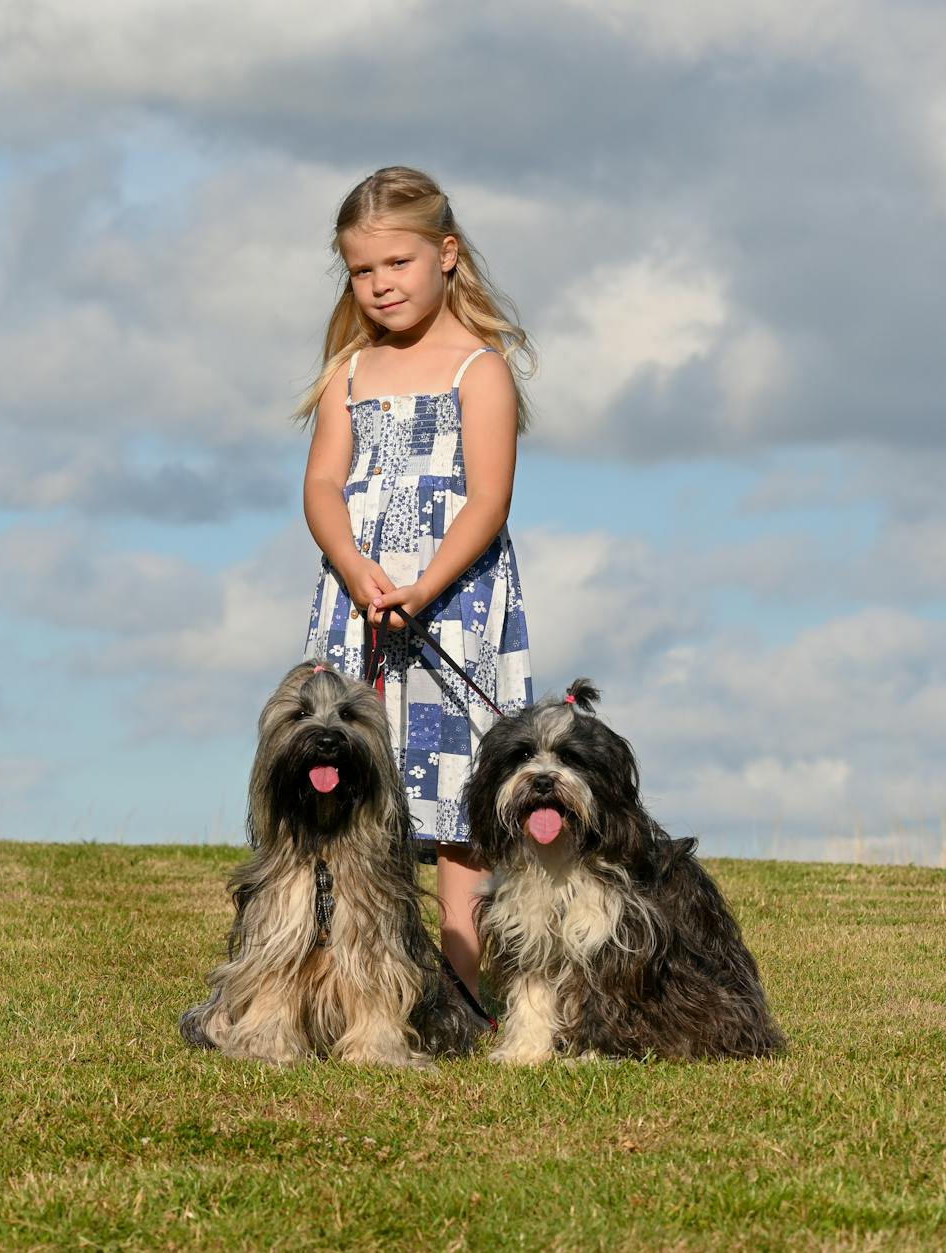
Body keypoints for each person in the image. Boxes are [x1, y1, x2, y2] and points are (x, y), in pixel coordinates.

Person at [298, 166, 535, 1009]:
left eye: (397, 262)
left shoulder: (479, 368)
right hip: (359, 605)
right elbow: (322, 486)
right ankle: (356, 982)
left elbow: (489, 498)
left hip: (455, 606)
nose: (380, 284)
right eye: (362, 270)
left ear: (446, 254)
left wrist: (426, 586)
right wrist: (353, 564)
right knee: (353, 796)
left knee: (461, 809)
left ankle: (461, 993)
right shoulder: (350, 373)